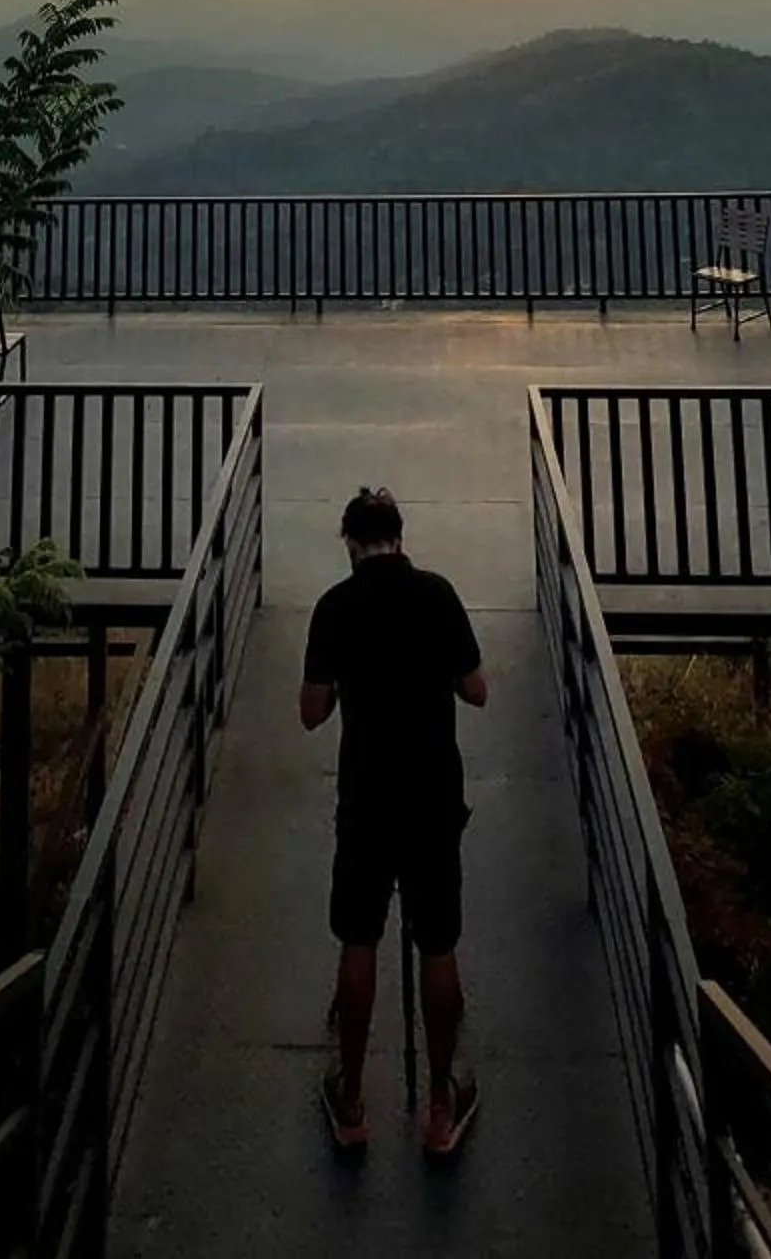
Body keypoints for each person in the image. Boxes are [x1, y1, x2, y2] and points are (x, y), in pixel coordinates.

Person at [300, 486, 487, 1156]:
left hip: (367, 797)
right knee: (437, 943)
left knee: (359, 937)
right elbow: (478, 690)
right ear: (400, 537)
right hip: (433, 795)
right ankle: (440, 1106)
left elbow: (312, 710)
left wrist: (353, 678)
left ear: (351, 542)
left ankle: (350, 1100)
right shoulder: (437, 595)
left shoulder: (335, 606)